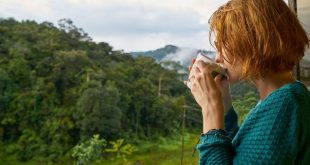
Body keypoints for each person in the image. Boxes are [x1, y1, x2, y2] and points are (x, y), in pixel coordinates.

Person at [184, 0, 310, 164]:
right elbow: (242, 153)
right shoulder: (282, 98)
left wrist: (210, 110)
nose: (218, 58)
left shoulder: (286, 104)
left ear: (251, 42)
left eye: (223, 46)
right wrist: (224, 106)